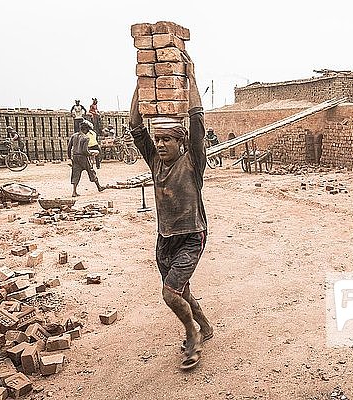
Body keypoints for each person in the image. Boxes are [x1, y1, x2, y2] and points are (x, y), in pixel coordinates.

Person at [129, 50, 212, 370]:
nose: (160, 144)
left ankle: (192, 335)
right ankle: (205, 326)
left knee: (170, 293)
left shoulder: (193, 162)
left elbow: (197, 121)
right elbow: (136, 125)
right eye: (157, 139)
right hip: (164, 239)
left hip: (192, 236)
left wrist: (190, 77)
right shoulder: (153, 161)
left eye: (167, 139)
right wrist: (143, 80)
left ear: (181, 143)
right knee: (182, 290)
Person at [67, 120, 105, 197]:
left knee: (75, 174)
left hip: (75, 157)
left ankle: (74, 192)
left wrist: (70, 158)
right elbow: (85, 151)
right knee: (91, 171)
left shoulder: (73, 136)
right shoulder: (86, 138)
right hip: (83, 158)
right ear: (86, 130)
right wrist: (92, 153)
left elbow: (69, 147)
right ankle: (99, 187)